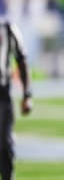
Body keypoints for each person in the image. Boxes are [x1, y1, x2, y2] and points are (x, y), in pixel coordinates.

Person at [0, 18, 32, 180]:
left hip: (2, 94)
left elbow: (21, 60)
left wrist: (27, 94)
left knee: (3, 143)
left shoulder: (7, 28)